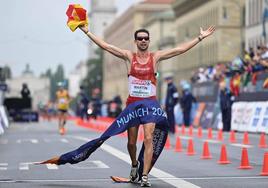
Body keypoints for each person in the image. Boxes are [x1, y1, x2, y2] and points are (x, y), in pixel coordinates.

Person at [41, 25, 215, 187]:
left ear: (149, 40)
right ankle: (134, 164)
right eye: (140, 38)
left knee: (148, 139)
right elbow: (106, 46)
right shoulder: (128, 56)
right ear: (136, 41)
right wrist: (87, 31)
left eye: (146, 38)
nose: (143, 41)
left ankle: (145, 175)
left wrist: (199, 38)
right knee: (131, 143)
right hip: (133, 104)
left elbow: (179, 50)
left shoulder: (156, 57)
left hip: (149, 104)